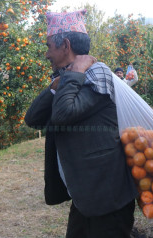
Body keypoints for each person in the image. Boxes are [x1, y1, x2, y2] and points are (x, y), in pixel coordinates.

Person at [24, 10, 138, 238]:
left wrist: (74, 74)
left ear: (65, 45)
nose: (47, 54)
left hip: (108, 197)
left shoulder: (97, 75)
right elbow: (33, 119)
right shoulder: (66, 79)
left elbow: (63, 114)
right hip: (86, 195)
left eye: (49, 46)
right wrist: (57, 84)